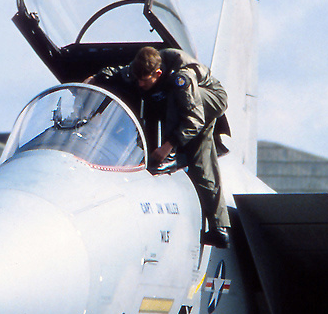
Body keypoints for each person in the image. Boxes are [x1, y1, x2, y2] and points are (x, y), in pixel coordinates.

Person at [86, 46, 231, 248]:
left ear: (159, 73)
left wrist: (168, 146)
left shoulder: (182, 79)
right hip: (186, 101)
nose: (140, 83)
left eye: (145, 80)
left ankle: (219, 228)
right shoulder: (140, 69)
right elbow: (118, 73)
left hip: (208, 99)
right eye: (138, 78)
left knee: (199, 154)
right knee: (158, 99)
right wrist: (95, 78)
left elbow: (194, 120)